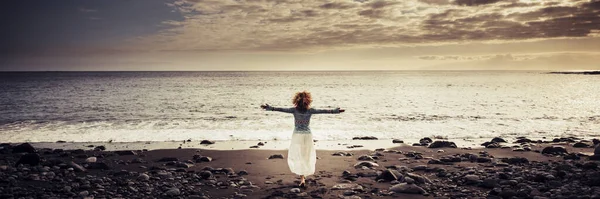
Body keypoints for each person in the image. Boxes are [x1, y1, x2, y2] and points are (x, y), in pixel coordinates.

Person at [260, 91, 344, 187]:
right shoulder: (310, 110)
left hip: (297, 136)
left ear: (296, 101)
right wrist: (335, 111)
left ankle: (302, 178)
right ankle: (303, 177)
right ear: (308, 101)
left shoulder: (294, 110)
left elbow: (281, 109)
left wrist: (270, 108)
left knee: (298, 155)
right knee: (306, 156)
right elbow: (323, 111)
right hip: (307, 135)